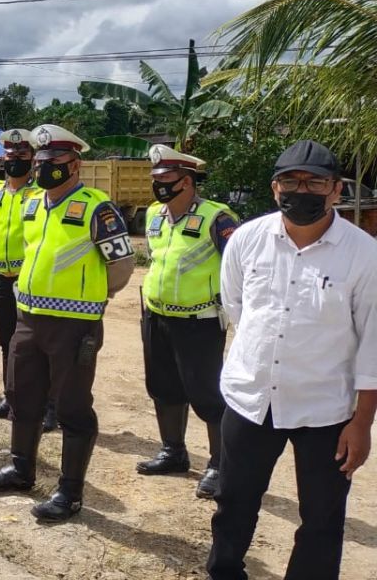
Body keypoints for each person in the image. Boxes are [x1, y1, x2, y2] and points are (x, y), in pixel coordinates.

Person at [208, 140, 377, 580]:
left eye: (314, 181)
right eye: (290, 180)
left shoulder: (364, 254)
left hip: (326, 412)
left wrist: (362, 423)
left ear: (336, 190)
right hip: (251, 401)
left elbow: (373, 343)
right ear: (274, 187)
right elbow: (238, 309)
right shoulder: (247, 239)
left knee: (322, 520)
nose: (300, 190)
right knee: (233, 503)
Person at [0, 124, 134, 521]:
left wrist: (92, 296)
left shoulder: (97, 207)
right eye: (42, 161)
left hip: (74, 324)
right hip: (28, 318)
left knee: (72, 408)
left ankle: (70, 492)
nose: (46, 168)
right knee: (22, 395)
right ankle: (21, 469)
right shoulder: (33, 204)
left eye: (55, 162)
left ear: (75, 165)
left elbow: (121, 265)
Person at [136, 145, 238, 500]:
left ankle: (219, 465)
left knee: (207, 393)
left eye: (167, 179)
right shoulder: (153, 215)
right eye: (156, 179)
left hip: (200, 321)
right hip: (157, 315)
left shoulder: (217, 217)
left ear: (188, 181)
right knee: (163, 386)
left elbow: (239, 267)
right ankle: (173, 451)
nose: (159, 185)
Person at [0, 128, 54, 428]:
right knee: (6, 341)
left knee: (38, 345)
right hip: (0, 277)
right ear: (3, 158)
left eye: (22, 155)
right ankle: (12, 397)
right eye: (10, 155)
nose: (15, 160)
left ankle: (49, 406)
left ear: (33, 159)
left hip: (29, 281)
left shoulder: (40, 195)